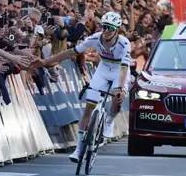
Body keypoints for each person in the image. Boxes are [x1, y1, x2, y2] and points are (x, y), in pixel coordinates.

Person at [31, 11, 131, 163]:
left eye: (110, 28)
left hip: (119, 71)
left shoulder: (124, 43)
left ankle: (110, 120)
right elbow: (71, 52)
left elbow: (124, 69)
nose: (106, 31)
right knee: (88, 108)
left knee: (118, 96)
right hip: (103, 69)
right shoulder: (95, 38)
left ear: (116, 30)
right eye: (104, 26)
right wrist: (46, 62)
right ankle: (79, 150)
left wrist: (120, 88)